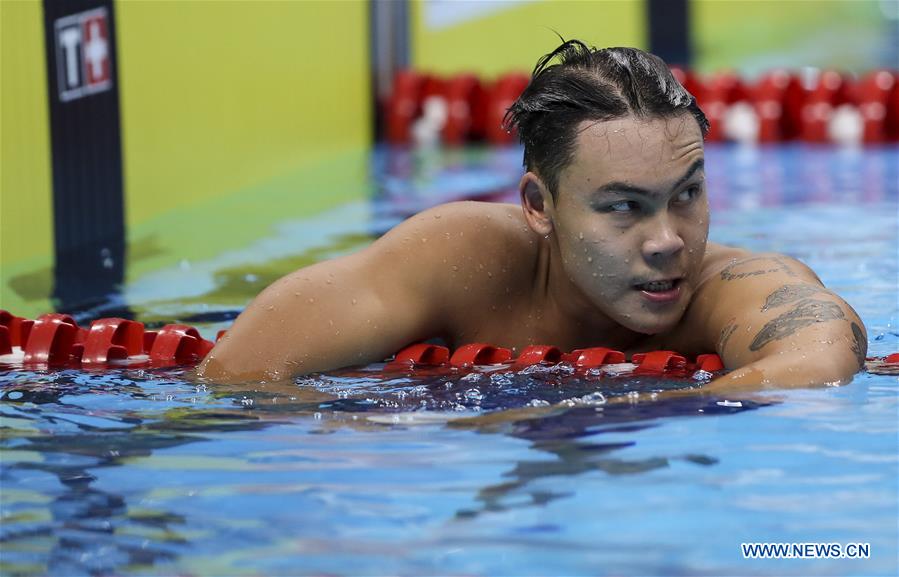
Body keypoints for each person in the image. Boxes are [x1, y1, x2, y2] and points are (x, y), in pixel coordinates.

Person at [198, 40, 867, 390]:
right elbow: (240, 370)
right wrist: (346, 431)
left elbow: (819, 358)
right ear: (537, 205)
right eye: (624, 208)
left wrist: (638, 407)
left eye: (686, 194)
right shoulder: (460, 257)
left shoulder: (732, 285)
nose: (668, 242)